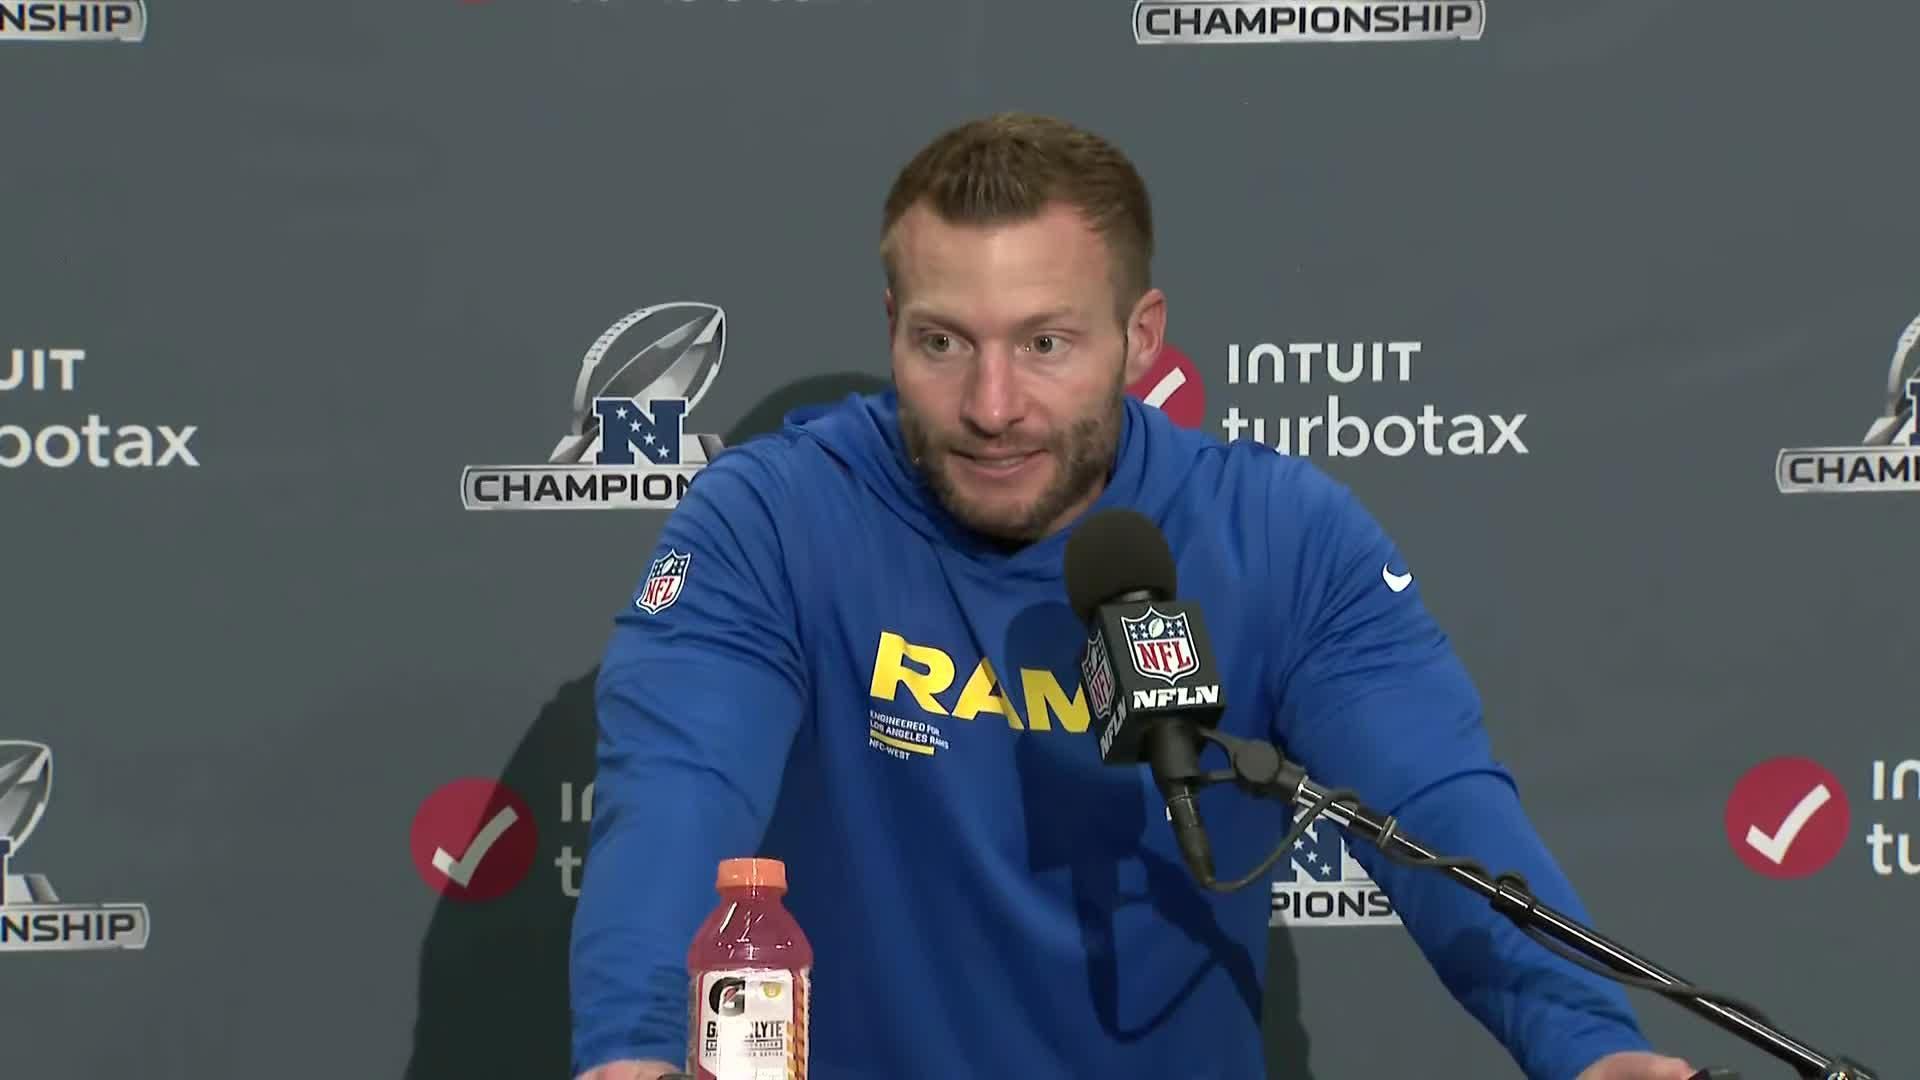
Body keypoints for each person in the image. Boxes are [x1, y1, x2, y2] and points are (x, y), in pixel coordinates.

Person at [570, 112, 1699, 1080]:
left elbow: (1439, 808)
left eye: (1045, 343)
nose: (992, 405)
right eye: (943, 342)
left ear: (1139, 339)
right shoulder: (773, 519)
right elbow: (677, 790)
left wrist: (1589, 1046)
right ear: (893, 329)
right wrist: (634, 1050)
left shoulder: (1279, 537)